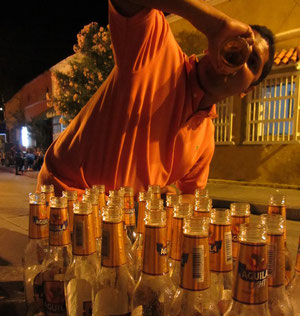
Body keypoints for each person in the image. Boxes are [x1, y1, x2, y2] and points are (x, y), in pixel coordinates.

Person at [37, 0, 274, 199]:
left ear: (248, 89)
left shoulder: (206, 138)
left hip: (121, 222)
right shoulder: (157, 51)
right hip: (64, 197)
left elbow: (190, 199)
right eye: (238, 46)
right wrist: (214, 23)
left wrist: (168, 196)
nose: (240, 59)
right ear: (215, 42)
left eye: (252, 63)